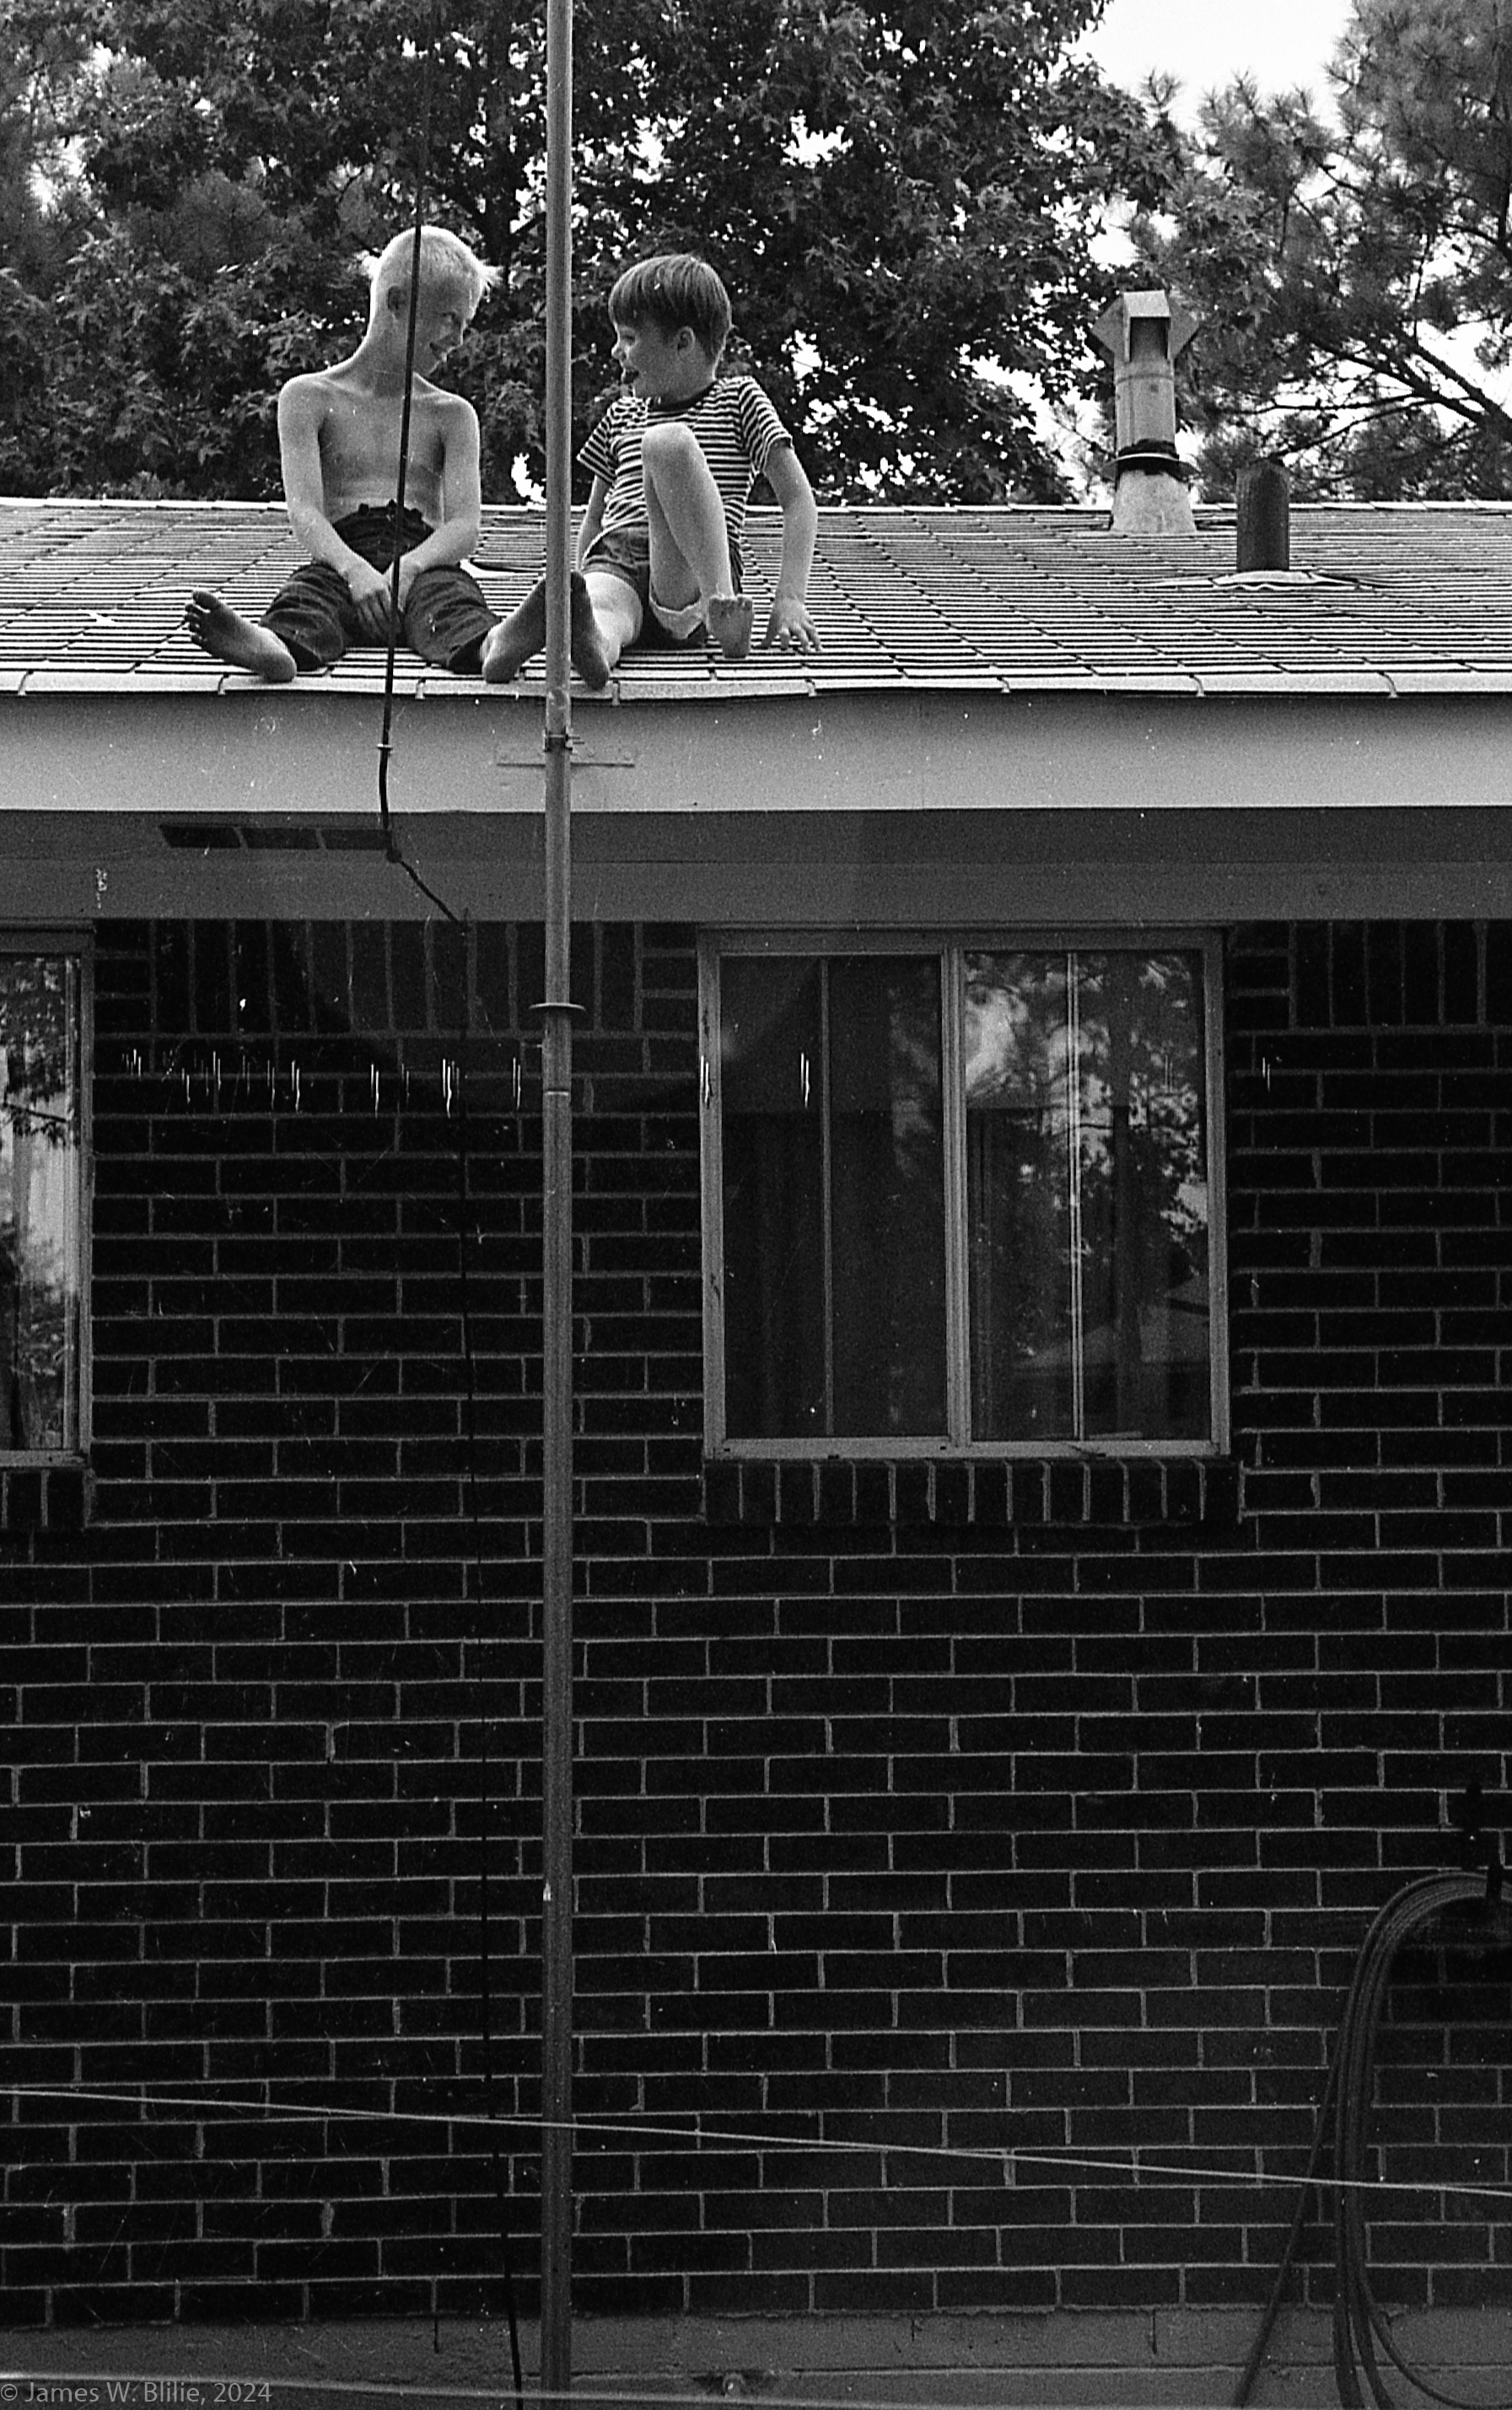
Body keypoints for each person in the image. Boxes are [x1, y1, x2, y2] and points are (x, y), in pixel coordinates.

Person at [484, 251, 819, 687]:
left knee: (667, 443)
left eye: (629, 338)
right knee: (601, 612)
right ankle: (580, 641)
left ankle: (721, 608)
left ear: (683, 342)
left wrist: (790, 598)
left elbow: (798, 500)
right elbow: (594, 518)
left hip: (688, 570)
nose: (616, 351)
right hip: (616, 557)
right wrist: (580, 581)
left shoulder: (739, 400)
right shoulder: (621, 414)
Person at [186, 227, 498, 681]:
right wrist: (355, 571)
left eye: (465, 324)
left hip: (422, 560)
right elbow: (306, 512)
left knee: (454, 603)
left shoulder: (452, 415)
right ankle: (273, 646)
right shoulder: (307, 398)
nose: (460, 338)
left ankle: (497, 646)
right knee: (307, 599)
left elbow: (464, 527)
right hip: (340, 557)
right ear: (397, 303)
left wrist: (408, 569)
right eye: (450, 318)